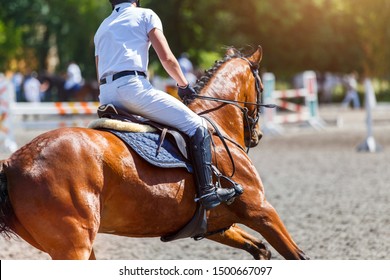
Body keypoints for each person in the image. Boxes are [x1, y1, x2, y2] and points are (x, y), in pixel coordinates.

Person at [94, 0, 241, 209]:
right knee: (197, 125)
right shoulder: (146, 15)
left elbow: (99, 69)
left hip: (106, 95)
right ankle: (208, 191)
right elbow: (168, 59)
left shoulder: (102, 27)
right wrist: (183, 84)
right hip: (132, 88)